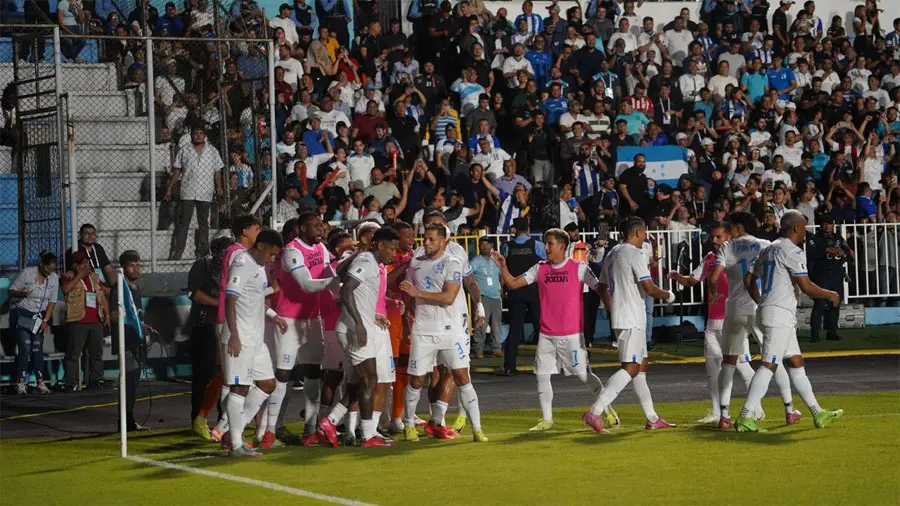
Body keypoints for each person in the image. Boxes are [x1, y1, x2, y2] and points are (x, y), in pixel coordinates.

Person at [493, 228, 619, 432]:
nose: (546, 248)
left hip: (572, 336)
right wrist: (503, 266)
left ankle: (607, 409)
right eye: (545, 243)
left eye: (550, 243)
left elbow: (599, 288)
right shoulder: (540, 268)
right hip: (547, 334)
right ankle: (547, 420)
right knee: (542, 375)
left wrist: (613, 309)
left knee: (584, 375)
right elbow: (513, 283)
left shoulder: (579, 268)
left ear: (562, 246)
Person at [735, 210, 844, 432]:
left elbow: (749, 279)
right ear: (796, 228)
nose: (806, 231)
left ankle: (818, 412)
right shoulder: (792, 251)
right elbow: (805, 286)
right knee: (768, 365)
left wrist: (763, 301)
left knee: (795, 362)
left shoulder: (768, 248)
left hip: (774, 312)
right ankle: (745, 416)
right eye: (804, 227)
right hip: (779, 316)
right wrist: (829, 294)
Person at [708, 211, 798, 429]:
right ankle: (789, 409)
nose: (728, 231)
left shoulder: (727, 247)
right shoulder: (764, 244)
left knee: (728, 363)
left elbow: (713, 278)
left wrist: (714, 293)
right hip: (757, 307)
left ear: (739, 227)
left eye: (731, 227)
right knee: (772, 359)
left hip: (733, 309)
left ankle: (724, 416)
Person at [587, 216, 677, 433]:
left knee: (641, 368)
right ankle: (595, 411)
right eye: (644, 231)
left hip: (623, 316)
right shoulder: (635, 253)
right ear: (637, 232)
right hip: (632, 318)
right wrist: (669, 295)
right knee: (631, 367)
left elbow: (601, 286)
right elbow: (648, 286)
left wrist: (611, 307)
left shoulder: (612, 253)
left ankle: (652, 417)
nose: (645, 236)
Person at [400, 224, 488, 443]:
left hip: (451, 331)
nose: (426, 243)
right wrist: (408, 308)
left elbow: (448, 297)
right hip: (423, 330)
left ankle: (477, 429)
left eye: (431, 239)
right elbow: (408, 292)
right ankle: (409, 425)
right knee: (417, 381)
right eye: (424, 239)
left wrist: (417, 293)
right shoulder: (415, 263)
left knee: (461, 377)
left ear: (443, 242)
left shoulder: (453, 263)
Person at [319, 227, 401, 448]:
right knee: (369, 380)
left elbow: (346, 280)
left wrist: (370, 317)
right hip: (355, 329)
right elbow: (346, 290)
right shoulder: (366, 262)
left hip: (361, 326)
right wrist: (358, 323)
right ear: (380, 245)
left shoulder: (369, 262)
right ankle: (367, 435)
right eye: (392, 249)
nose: (394, 254)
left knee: (359, 381)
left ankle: (331, 421)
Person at [269, 212, 338, 445]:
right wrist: (337, 282)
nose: (321, 229)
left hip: (313, 320)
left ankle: (310, 430)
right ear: (302, 229)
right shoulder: (292, 251)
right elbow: (307, 284)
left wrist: (342, 287)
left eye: (321, 225)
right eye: (316, 226)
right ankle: (270, 430)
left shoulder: (321, 248)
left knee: (313, 374)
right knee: (283, 375)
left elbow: (329, 274)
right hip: (289, 321)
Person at [221, 230, 286, 456]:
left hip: (256, 339)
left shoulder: (258, 267)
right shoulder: (242, 263)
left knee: (268, 384)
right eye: (271, 254)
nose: (272, 259)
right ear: (259, 246)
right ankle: (236, 444)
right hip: (241, 337)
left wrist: (273, 314)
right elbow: (231, 298)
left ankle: (231, 431)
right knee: (239, 388)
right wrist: (234, 335)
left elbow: (254, 297)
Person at [667, 221, 730, 424]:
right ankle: (716, 412)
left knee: (742, 365)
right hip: (712, 321)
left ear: (728, 236)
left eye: (719, 236)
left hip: (731, 320)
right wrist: (677, 276)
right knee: (712, 367)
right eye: (713, 236)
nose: (714, 240)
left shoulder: (736, 257)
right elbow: (692, 280)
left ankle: (756, 407)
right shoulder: (710, 258)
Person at [209, 215, 262, 442]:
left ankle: (228, 427)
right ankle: (224, 428)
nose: (259, 232)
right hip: (232, 320)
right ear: (245, 231)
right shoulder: (238, 254)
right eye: (257, 228)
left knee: (244, 380)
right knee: (234, 380)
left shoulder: (240, 254)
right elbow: (232, 291)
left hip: (240, 320)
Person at [187, 236, 233, 439]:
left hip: (224, 325)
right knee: (204, 374)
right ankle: (197, 418)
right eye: (225, 252)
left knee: (225, 374)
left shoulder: (234, 267)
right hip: (204, 325)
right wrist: (219, 304)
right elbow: (194, 293)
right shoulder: (202, 265)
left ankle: (225, 420)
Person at [165, 124, 225, 260]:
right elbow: (176, 170)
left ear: (204, 136)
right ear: (192, 135)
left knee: (204, 223)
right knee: (183, 223)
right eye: (196, 133)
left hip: (205, 191)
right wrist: (169, 187)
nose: (198, 135)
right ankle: (178, 252)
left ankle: (202, 252)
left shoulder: (212, 151)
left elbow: (217, 171)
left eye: (201, 133)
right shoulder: (184, 150)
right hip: (188, 191)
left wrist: (219, 186)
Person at [109, 250, 151, 431]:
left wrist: (143, 330)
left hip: (136, 341)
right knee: (127, 382)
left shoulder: (135, 289)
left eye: (137, 265)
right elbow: (113, 315)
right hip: (125, 341)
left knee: (133, 382)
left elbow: (138, 316)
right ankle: (124, 422)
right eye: (131, 265)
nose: (135, 268)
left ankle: (129, 420)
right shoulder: (119, 289)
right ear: (124, 267)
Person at [9, 251, 59, 395]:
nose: (50, 272)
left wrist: (45, 320)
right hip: (22, 314)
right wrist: (23, 293)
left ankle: (40, 381)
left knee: (37, 348)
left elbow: (52, 302)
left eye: (53, 269)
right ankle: (21, 382)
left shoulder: (53, 279)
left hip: (39, 317)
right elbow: (11, 291)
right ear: (42, 265)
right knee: (25, 348)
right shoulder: (28, 273)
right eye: (48, 269)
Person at [500, 217, 545, 375]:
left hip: (515, 292)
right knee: (541, 329)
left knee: (514, 330)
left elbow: (503, 268)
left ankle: (509, 366)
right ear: (528, 228)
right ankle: (543, 365)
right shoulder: (537, 245)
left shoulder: (507, 247)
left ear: (515, 229)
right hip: (534, 292)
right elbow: (547, 264)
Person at [61, 250, 109, 391]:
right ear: (76, 265)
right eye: (83, 263)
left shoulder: (94, 277)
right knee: (74, 353)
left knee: (96, 353)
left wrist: (106, 316)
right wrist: (79, 276)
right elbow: (65, 289)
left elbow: (101, 296)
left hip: (95, 320)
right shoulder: (67, 276)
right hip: (77, 320)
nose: (87, 265)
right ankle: (71, 382)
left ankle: (97, 380)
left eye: (88, 262)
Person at [807, 213, 853, 342]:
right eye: (824, 223)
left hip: (837, 274)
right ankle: (814, 334)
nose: (827, 226)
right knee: (819, 304)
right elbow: (812, 253)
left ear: (833, 225)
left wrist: (842, 253)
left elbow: (849, 255)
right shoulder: (815, 238)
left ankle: (832, 332)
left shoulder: (839, 238)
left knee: (835, 304)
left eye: (829, 223)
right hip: (822, 274)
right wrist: (827, 250)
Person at [470, 237, 503, 359]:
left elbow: (501, 275)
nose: (484, 246)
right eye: (482, 244)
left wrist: (502, 290)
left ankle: (497, 348)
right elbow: (468, 277)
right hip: (482, 297)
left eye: (487, 244)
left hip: (495, 296)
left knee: (496, 324)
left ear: (492, 245)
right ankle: (479, 349)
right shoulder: (475, 261)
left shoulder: (496, 259)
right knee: (480, 324)